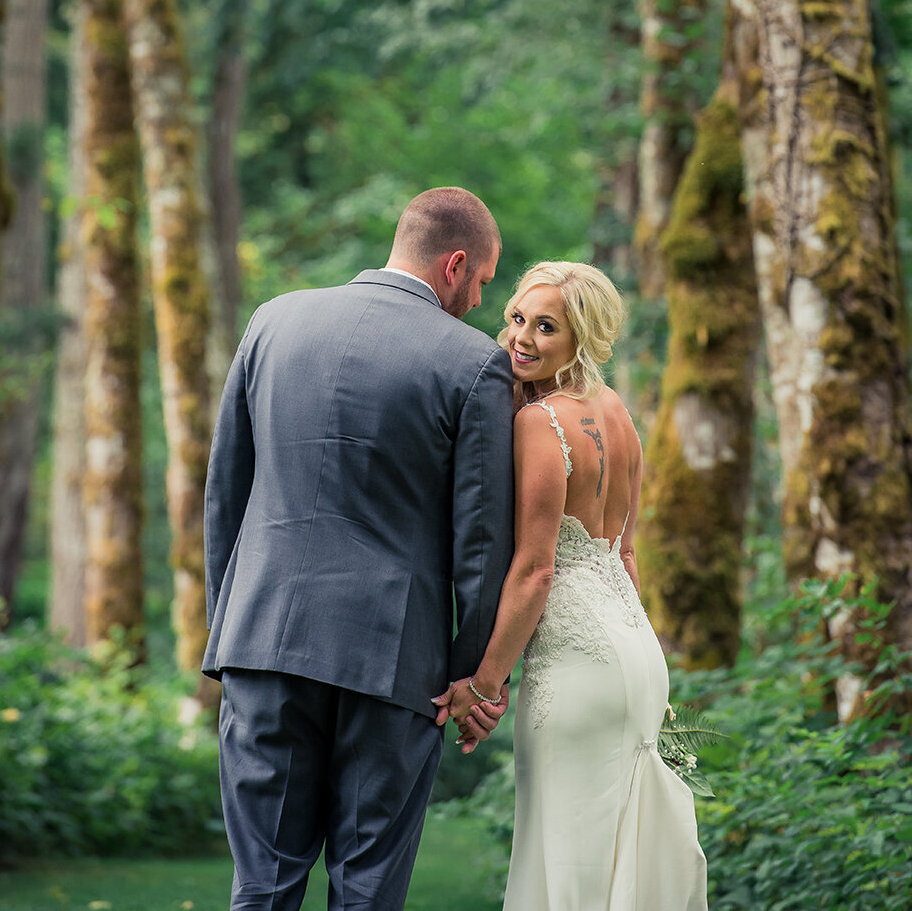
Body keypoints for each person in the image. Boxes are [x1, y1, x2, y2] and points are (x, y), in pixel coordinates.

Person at [203, 187, 515, 911]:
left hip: (262, 643)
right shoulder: (472, 364)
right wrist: (469, 677)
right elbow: (479, 542)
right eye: (481, 284)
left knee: (261, 888)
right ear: (455, 265)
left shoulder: (272, 321)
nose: (476, 302)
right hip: (393, 663)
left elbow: (225, 492)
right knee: (368, 890)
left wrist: (231, 627)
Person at [435, 261, 708, 910]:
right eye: (516, 318)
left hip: (579, 668)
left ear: (581, 336)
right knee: (610, 847)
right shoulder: (614, 411)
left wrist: (482, 686)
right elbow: (627, 554)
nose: (520, 338)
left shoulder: (541, 422)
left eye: (545, 327)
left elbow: (534, 571)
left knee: (565, 850)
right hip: (636, 656)